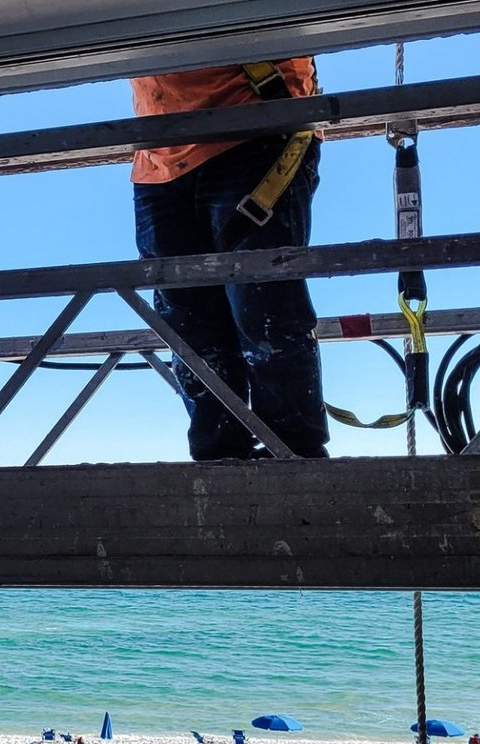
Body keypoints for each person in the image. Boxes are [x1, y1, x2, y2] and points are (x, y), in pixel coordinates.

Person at [132, 59, 328, 460]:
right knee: (187, 320)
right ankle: (219, 455)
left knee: (264, 306)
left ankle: (292, 454)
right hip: (160, 157)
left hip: (254, 126)